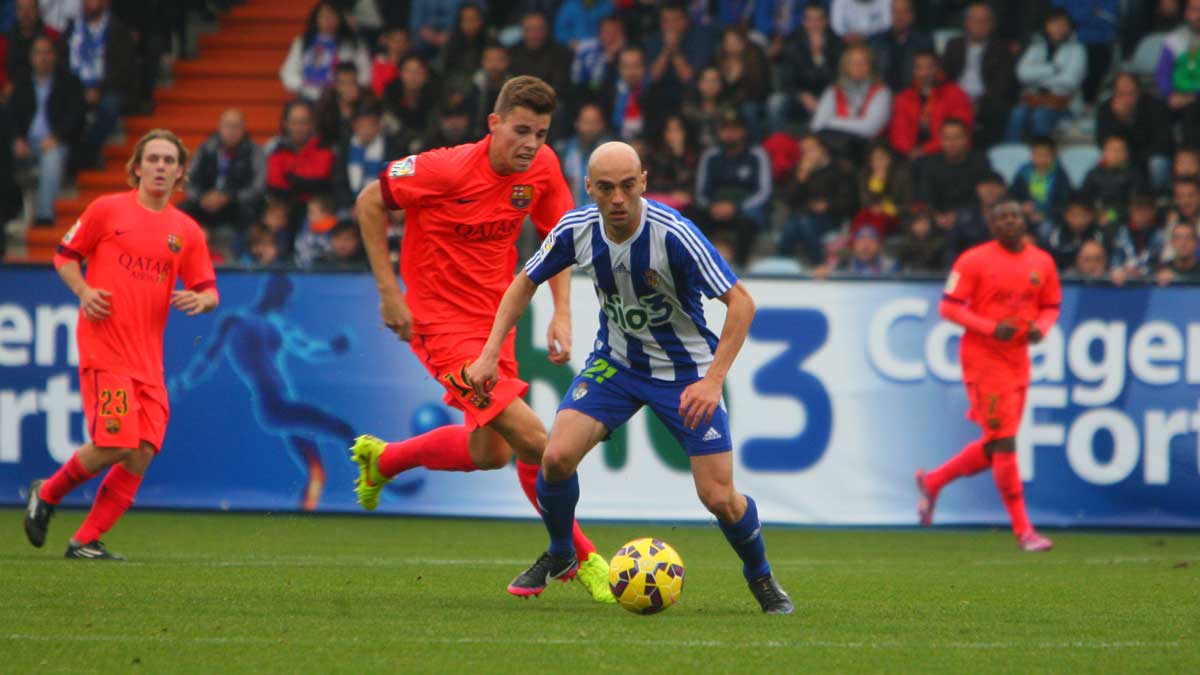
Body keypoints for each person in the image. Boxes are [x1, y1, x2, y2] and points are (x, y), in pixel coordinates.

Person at [465, 141, 794, 614]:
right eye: (605, 188)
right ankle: (563, 552)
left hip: (686, 374)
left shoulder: (674, 235)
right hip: (616, 366)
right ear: (589, 188)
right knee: (555, 456)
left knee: (719, 497)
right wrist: (490, 352)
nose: (617, 198)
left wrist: (712, 380)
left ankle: (760, 576)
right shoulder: (575, 229)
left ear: (643, 181)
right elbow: (524, 281)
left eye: (626, 186)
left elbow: (741, 302)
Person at [348, 76, 614, 604]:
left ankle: (384, 461)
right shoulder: (444, 168)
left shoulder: (539, 168)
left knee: (490, 451)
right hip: (441, 328)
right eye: (521, 131)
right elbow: (368, 201)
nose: (531, 144)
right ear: (493, 124)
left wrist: (561, 311)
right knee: (540, 443)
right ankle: (581, 559)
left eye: (540, 133)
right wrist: (389, 293)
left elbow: (559, 237)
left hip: (497, 327)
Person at [23, 129, 219, 560]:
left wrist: (200, 300)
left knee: (143, 451)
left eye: (169, 161)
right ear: (136, 167)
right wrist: (84, 292)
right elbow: (64, 256)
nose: (161, 167)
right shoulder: (107, 210)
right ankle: (48, 493)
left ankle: (85, 540)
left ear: (181, 171)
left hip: (148, 359)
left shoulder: (185, 231)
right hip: (105, 347)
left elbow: (209, 290)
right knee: (115, 441)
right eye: (153, 159)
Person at [915, 197, 1060, 552]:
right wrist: (990, 327)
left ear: (1024, 220)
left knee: (997, 441)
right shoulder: (974, 260)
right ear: (993, 226)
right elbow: (948, 306)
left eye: (1015, 215)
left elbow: (1051, 304)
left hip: (1019, 360)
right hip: (984, 359)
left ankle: (934, 481)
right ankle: (1024, 531)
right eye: (1003, 218)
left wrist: (1043, 326)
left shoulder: (1041, 261)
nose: (1010, 222)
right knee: (1006, 442)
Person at [172, 273, 357, 511]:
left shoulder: (278, 323)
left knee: (316, 471)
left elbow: (309, 349)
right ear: (273, 292)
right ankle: (381, 478)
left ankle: (305, 517)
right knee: (344, 430)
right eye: (284, 296)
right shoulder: (235, 320)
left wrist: (334, 348)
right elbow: (208, 357)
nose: (285, 302)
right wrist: (185, 382)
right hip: (273, 405)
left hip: (284, 403)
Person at [8, 34, 85, 226]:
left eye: (47, 52)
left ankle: (44, 216)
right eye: (37, 53)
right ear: (31, 57)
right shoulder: (22, 83)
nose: (42, 57)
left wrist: (56, 137)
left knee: (52, 156)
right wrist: (17, 138)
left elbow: (75, 116)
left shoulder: (69, 82)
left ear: (55, 56)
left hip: (56, 142)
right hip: (25, 143)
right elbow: (11, 116)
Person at [1006, 9, 1087, 142]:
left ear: (1069, 27)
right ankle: (1013, 154)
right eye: (1054, 23)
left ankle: (1042, 154)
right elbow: (1022, 74)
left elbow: (1070, 81)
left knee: (1040, 115)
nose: (1058, 28)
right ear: (1047, 25)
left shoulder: (1078, 50)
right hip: (1034, 100)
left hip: (1064, 104)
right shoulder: (1037, 46)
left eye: (1063, 24)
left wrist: (1037, 79)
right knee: (1017, 114)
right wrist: (1053, 69)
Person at [182, 108, 266, 233]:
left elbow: (257, 187)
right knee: (182, 211)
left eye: (236, 127)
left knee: (250, 212)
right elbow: (189, 180)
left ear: (243, 129)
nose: (231, 131)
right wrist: (201, 197)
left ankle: (240, 250)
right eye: (227, 126)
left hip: (237, 202)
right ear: (219, 127)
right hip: (205, 200)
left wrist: (228, 197)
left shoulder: (254, 151)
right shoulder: (206, 148)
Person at [886, 49, 973, 161]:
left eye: (929, 67)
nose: (924, 73)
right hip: (909, 155)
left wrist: (925, 150)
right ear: (913, 70)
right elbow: (898, 132)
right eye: (919, 68)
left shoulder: (955, 94)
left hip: (944, 153)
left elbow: (960, 132)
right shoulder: (904, 98)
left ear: (937, 68)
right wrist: (909, 151)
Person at [279, 2, 371, 102]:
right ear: (316, 19)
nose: (328, 20)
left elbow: (365, 75)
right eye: (323, 16)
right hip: (309, 98)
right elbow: (288, 74)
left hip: (345, 99)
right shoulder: (303, 42)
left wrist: (349, 87)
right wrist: (307, 85)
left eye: (332, 15)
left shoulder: (354, 44)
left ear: (340, 18)